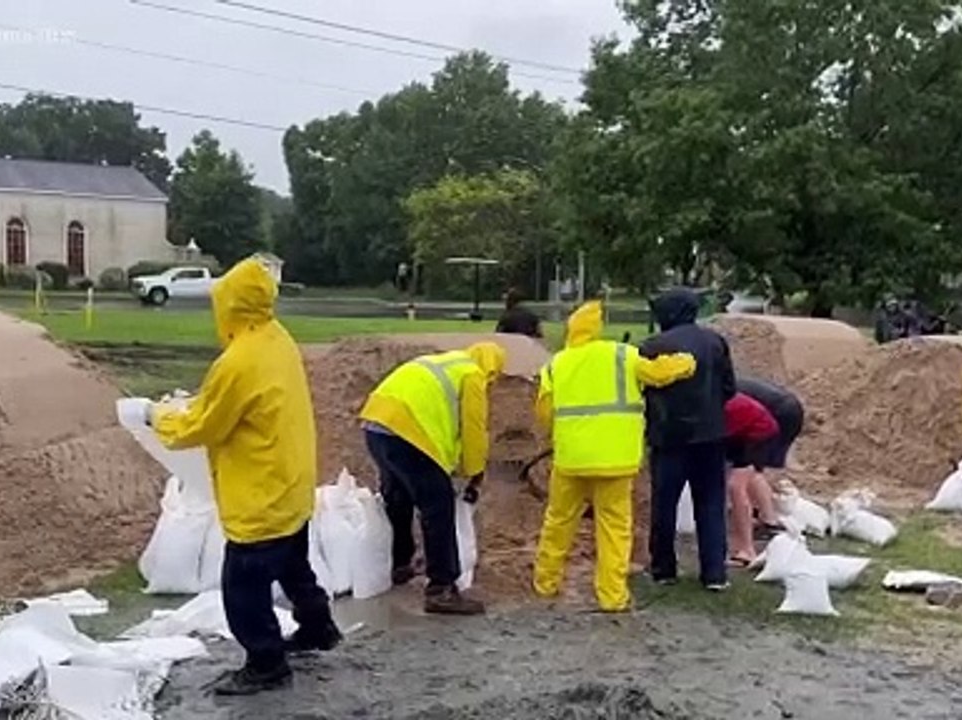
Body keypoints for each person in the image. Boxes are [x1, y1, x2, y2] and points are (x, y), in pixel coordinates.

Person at [148, 257, 341, 696]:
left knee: (243, 586)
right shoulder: (277, 339)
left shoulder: (239, 360)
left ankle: (266, 662)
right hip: (291, 483)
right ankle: (318, 627)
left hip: (260, 493)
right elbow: (230, 403)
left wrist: (156, 417)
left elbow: (202, 426)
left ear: (230, 304)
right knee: (295, 565)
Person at [531, 301, 694, 611]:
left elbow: (544, 413)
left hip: (571, 459)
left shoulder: (556, 364)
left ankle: (546, 583)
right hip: (615, 460)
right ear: (599, 327)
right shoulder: (622, 354)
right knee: (614, 527)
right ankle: (611, 595)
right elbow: (658, 373)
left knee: (558, 522)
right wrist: (686, 362)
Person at [359, 341, 506, 616]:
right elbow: (473, 430)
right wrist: (474, 473)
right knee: (438, 506)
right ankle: (441, 588)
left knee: (398, 497)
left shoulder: (445, 361)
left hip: (375, 424)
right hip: (407, 434)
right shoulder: (473, 375)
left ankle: (399, 563)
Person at [641, 287, 737, 591]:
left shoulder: (653, 346)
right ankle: (714, 573)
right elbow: (729, 389)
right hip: (711, 435)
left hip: (668, 437)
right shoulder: (715, 342)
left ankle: (663, 568)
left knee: (664, 504)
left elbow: (645, 391)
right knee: (710, 503)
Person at [724, 377, 805, 567]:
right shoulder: (727, 382)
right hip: (787, 409)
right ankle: (768, 520)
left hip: (776, 415)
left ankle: (751, 543)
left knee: (740, 480)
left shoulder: (717, 391)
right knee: (751, 471)